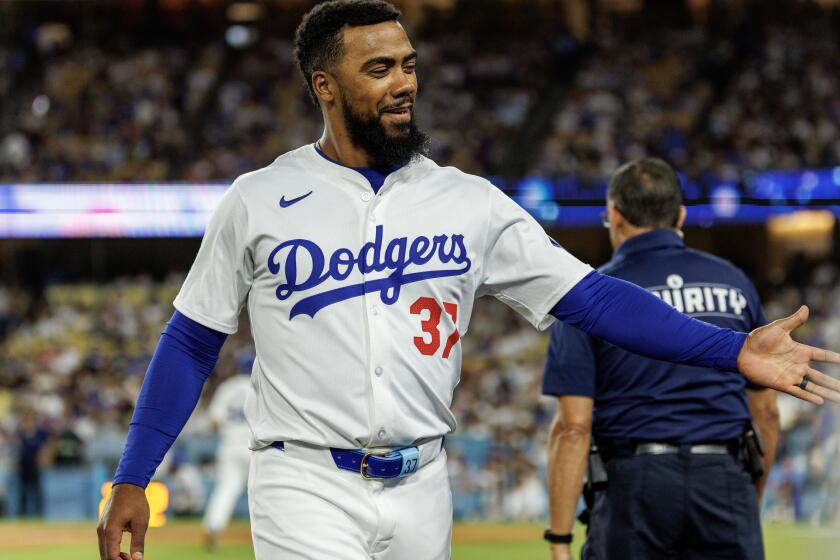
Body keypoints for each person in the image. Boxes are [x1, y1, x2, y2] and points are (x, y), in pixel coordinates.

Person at [96, 2, 840, 559]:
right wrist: (134, 475)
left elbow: (593, 297)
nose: (403, 84)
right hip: (304, 481)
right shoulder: (257, 197)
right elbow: (192, 342)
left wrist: (731, 351)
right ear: (324, 85)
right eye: (379, 68)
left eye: (409, 65)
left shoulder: (468, 200)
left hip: (424, 481)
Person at [542, 158, 781, 560]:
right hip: (724, 479)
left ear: (614, 216)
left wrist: (560, 540)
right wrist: (745, 497)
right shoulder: (735, 283)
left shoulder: (589, 296)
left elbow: (572, 428)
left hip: (634, 487)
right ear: (681, 216)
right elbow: (767, 413)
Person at [201, 368, 251, 550]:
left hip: (230, 446)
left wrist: (231, 426)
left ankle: (213, 528)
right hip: (256, 447)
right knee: (263, 491)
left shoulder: (228, 387)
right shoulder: (261, 384)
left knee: (226, 490)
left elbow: (215, 420)